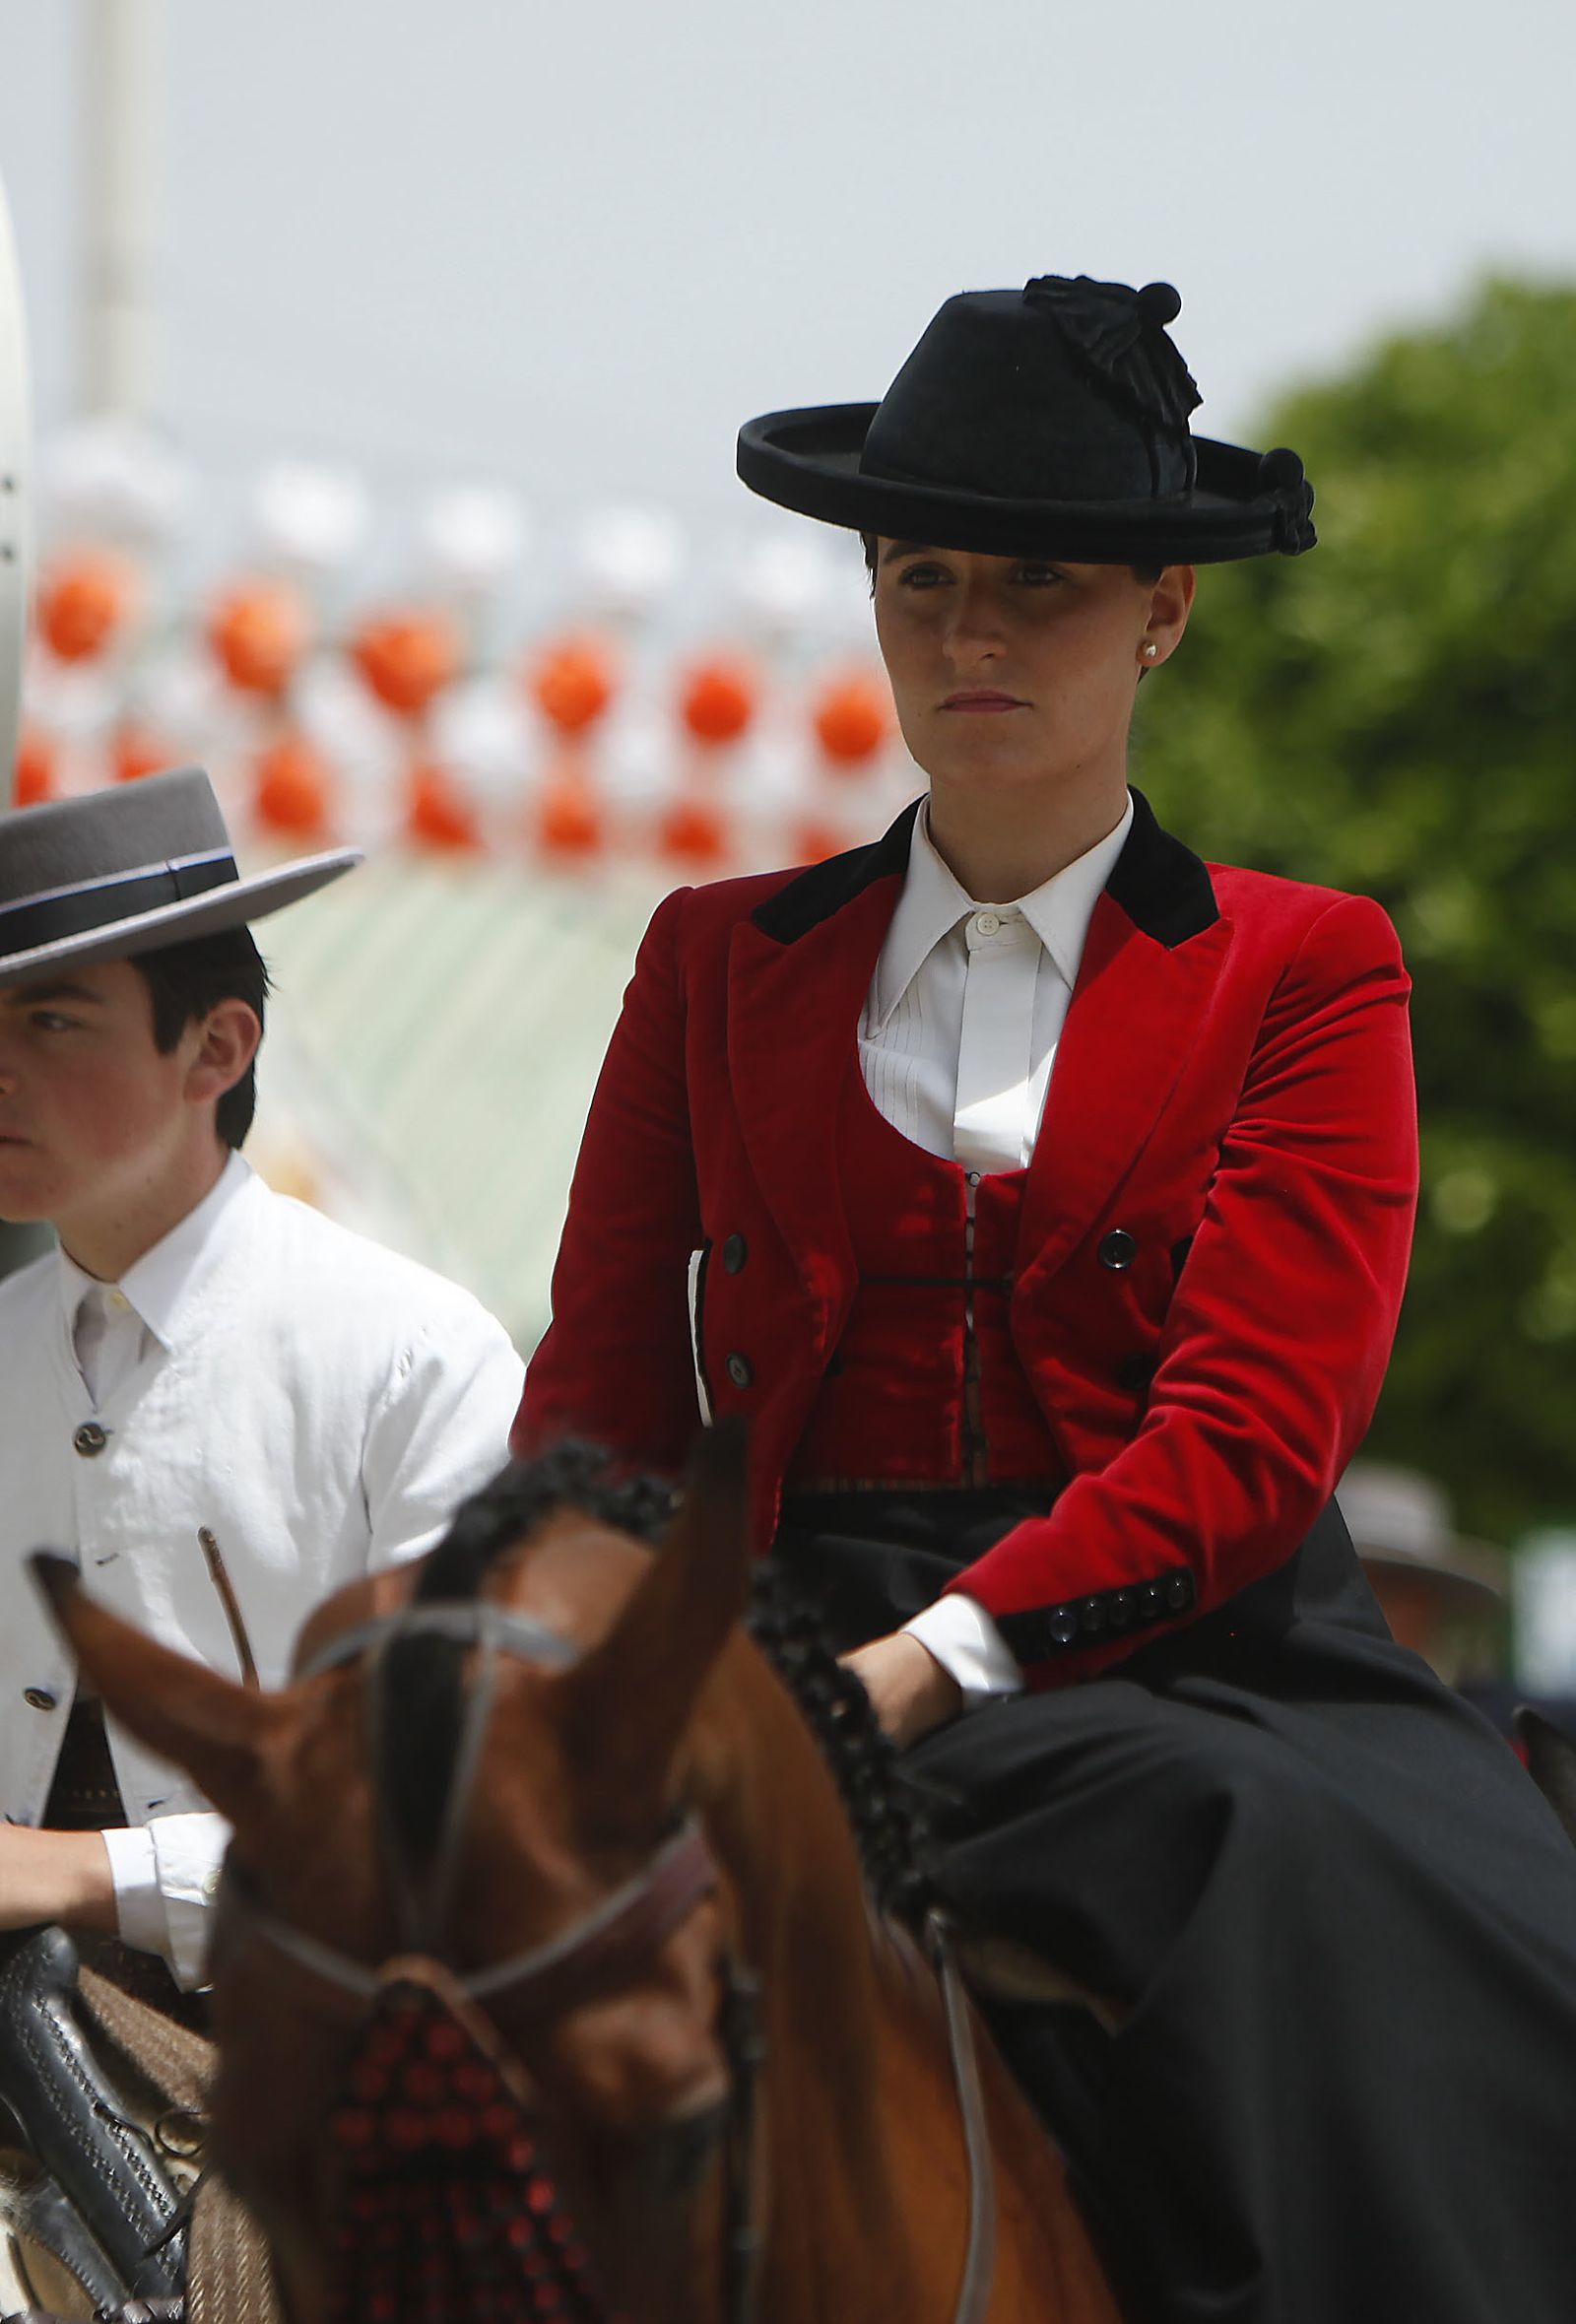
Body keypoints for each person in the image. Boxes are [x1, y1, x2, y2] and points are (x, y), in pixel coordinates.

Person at [516, 275, 1576, 2324]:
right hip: (780, 1626)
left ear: (1160, 613)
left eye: (1038, 583)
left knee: (1385, 1905)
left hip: (1198, 1659)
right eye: (920, 579)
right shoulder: (710, 957)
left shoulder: (1306, 967)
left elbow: (1251, 1439)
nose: (969, 633)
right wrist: (561, 1643)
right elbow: (599, 1405)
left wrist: (928, 1664)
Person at [0, 765, 524, 2002]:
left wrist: (82, 1872)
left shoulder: (417, 1358)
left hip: (307, 2043)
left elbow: (465, 1795)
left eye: (50, 1021)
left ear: (217, 1048)